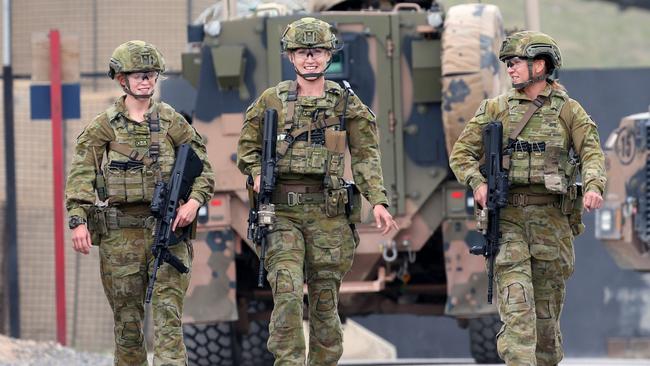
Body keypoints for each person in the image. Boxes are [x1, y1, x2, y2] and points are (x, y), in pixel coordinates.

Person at [237, 17, 398, 366]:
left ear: (329, 56)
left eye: (318, 52)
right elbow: (247, 149)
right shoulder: (272, 101)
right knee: (289, 294)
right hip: (281, 214)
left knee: (325, 302)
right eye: (302, 52)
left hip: (328, 215)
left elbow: (366, 155)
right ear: (290, 57)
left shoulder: (344, 103)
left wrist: (379, 201)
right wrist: (255, 173)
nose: (310, 59)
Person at [449, 31, 606, 366]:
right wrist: (477, 183)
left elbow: (591, 153)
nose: (510, 69)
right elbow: (461, 154)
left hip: (552, 225)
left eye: (516, 62)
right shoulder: (495, 109)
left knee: (546, 327)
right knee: (517, 315)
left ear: (540, 65)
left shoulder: (569, 112)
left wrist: (593, 186)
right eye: (507, 63)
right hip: (508, 223)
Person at [65, 40, 214, 365]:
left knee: (168, 321)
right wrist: (78, 220)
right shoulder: (104, 126)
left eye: (151, 74)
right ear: (122, 80)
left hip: (169, 232)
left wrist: (194, 202)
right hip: (121, 238)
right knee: (128, 328)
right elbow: (81, 175)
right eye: (138, 74)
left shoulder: (172, 121)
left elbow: (204, 168)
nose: (146, 80)